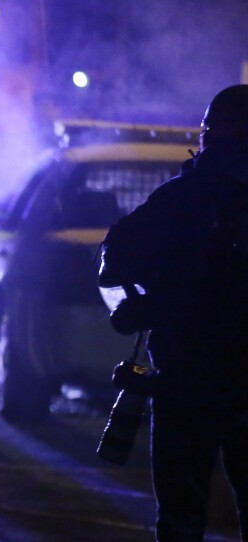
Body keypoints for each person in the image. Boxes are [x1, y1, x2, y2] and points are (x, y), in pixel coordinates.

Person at [99, 84, 248, 542]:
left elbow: (114, 261)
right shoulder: (180, 199)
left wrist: (149, 300)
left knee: (181, 515)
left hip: (186, 381)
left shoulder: (180, 199)